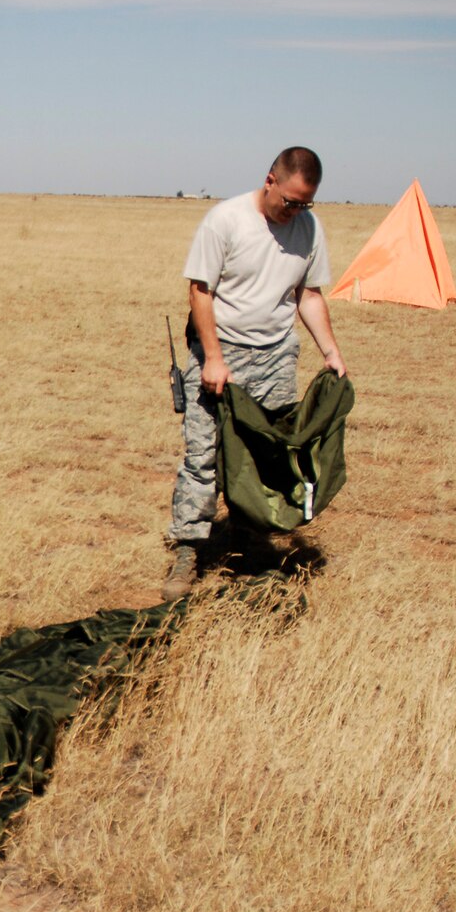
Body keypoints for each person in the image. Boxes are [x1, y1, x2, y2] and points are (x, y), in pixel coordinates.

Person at [164, 146, 347, 599]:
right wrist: (212, 357)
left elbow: (308, 295)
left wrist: (331, 351)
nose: (296, 211)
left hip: (276, 359)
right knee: (203, 455)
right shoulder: (225, 220)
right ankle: (189, 549)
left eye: (306, 204)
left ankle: (247, 545)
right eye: (290, 201)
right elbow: (200, 292)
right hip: (221, 352)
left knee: (264, 457)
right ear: (270, 180)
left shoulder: (308, 227)